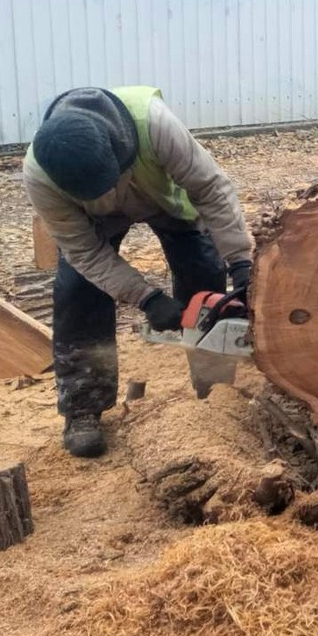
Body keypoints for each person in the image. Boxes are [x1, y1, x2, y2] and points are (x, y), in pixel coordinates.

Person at [24, 86, 254, 458]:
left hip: (165, 198)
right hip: (94, 224)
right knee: (76, 292)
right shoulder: (39, 176)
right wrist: (146, 297)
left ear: (119, 148)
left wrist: (241, 263)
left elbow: (211, 189)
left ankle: (214, 386)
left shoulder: (155, 125)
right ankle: (83, 406)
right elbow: (85, 251)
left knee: (204, 272)